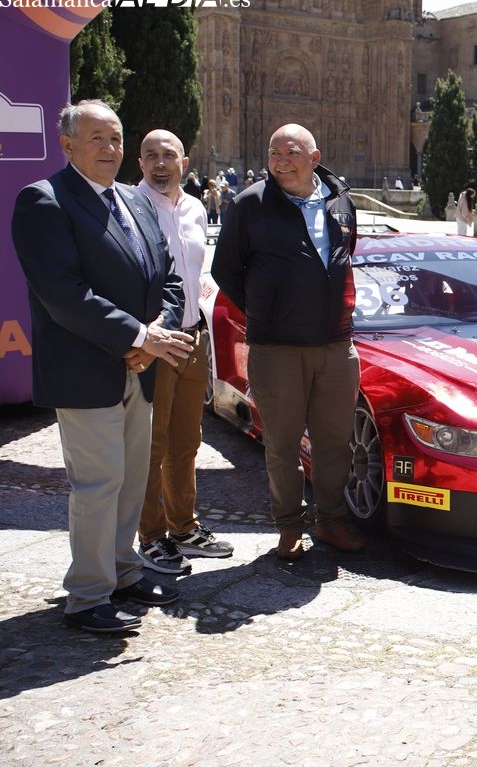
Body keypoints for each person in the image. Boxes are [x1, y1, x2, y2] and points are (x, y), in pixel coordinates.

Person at [10, 99, 194, 633]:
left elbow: (169, 276)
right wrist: (138, 336)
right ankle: (87, 596)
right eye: (96, 139)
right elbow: (63, 294)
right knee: (98, 483)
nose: (110, 149)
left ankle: (121, 569)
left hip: (142, 366)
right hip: (85, 369)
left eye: (115, 139)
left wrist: (151, 335)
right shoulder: (44, 202)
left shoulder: (136, 204)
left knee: (133, 476)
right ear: (67, 145)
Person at [210, 123, 364, 561]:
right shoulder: (249, 204)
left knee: (335, 441)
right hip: (276, 347)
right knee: (281, 442)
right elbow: (226, 271)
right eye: (274, 152)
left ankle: (332, 520)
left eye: (290, 152)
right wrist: (266, 311)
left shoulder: (340, 200)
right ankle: (290, 526)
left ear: (314, 158)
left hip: (336, 344)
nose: (280, 160)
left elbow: (345, 256)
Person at [134, 129, 235, 576]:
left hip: (194, 338)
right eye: (151, 156)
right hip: (156, 343)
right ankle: (151, 537)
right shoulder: (128, 207)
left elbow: (195, 270)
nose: (160, 163)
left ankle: (183, 528)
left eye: (168, 155)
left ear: (185, 163)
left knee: (186, 442)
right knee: (151, 445)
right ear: (140, 164)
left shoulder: (195, 208)